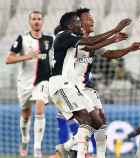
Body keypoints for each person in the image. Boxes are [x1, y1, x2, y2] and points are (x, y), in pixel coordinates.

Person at [49, 11, 129, 158]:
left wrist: (114, 39)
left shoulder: (69, 39)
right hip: (61, 85)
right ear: (69, 25)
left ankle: (68, 148)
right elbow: (90, 43)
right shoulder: (64, 36)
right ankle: (75, 152)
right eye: (77, 22)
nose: (80, 25)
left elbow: (90, 46)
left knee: (98, 123)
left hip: (70, 86)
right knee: (86, 120)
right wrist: (114, 31)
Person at [5, 11, 53, 158]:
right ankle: (25, 139)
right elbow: (8, 59)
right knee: (26, 115)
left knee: (40, 108)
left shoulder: (49, 39)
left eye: (39, 19)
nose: (36, 21)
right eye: (34, 19)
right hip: (25, 83)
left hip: (43, 80)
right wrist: (28, 56)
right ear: (29, 22)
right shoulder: (22, 39)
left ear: (42, 22)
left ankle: (37, 148)